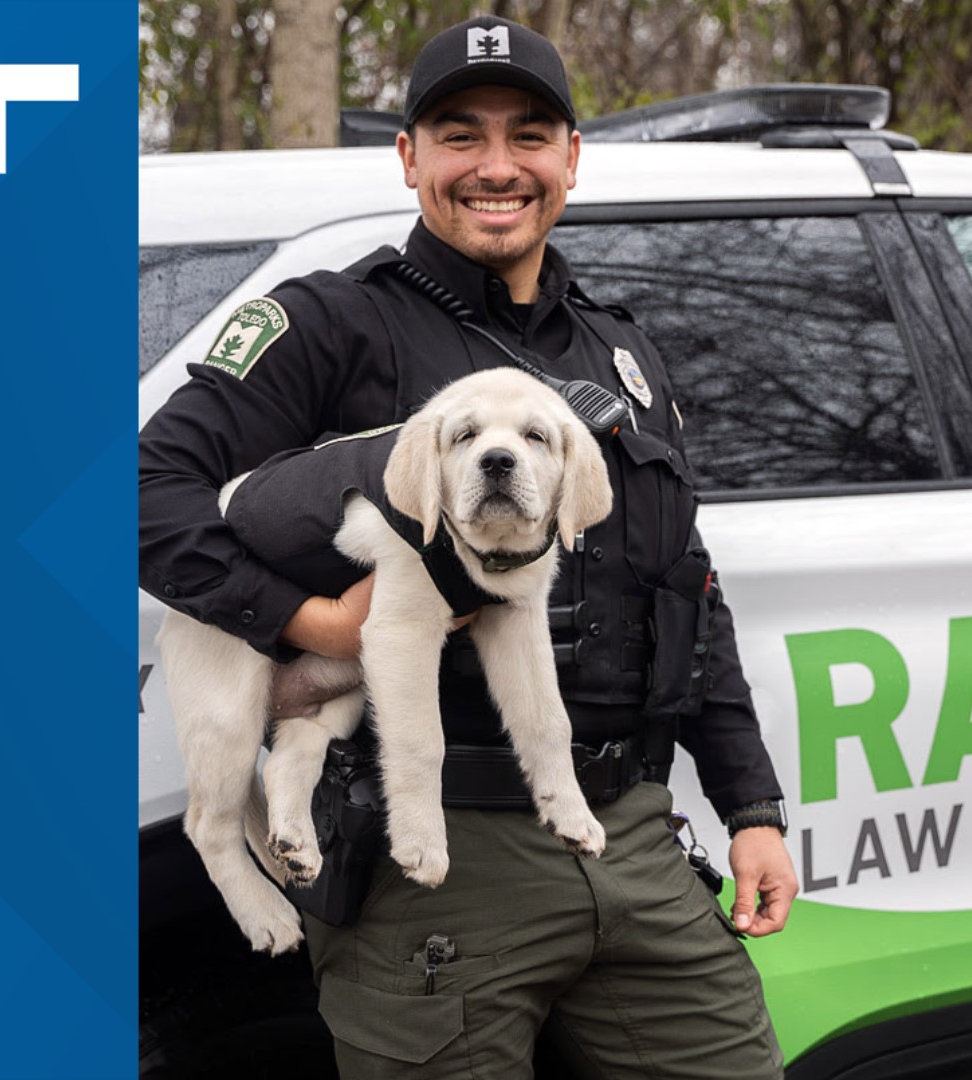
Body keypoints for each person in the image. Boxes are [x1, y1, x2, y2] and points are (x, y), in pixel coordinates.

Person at [138, 16, 795, 1078]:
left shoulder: (623, 351)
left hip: (626, 834)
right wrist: (308, 624)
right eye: (460, 134)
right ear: (410, 157)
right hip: (427, 866)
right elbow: (142, 492)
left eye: (529, 134)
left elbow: (686, 586)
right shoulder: (328, 324)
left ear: (570, 158)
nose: (498, 166)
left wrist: (750, 807)